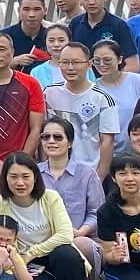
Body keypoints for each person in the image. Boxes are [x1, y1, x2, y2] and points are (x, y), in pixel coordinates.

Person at [33, 115, 105, 280]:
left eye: (58, 137)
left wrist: (80, 231)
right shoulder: (34, 173)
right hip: (42, 238)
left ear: (70, 142)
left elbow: (96, 212)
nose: (51, 141)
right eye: (45, 137)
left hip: (79, 236)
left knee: (82, 244)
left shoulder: (87, 173)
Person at [43, 40, 120, 178]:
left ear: (89, 64)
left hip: (88, 173)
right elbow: (42, 133)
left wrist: (100, 176)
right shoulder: (49, 94)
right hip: (53, 172)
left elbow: (107, 141)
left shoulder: (102, 99)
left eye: (76, 62)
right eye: (65, 62)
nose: (70, 67)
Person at [68, 0, 139, 69]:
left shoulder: (119, 25)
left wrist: (114, 78)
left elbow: (132, 64)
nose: (92, 2)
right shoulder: (75, 24)